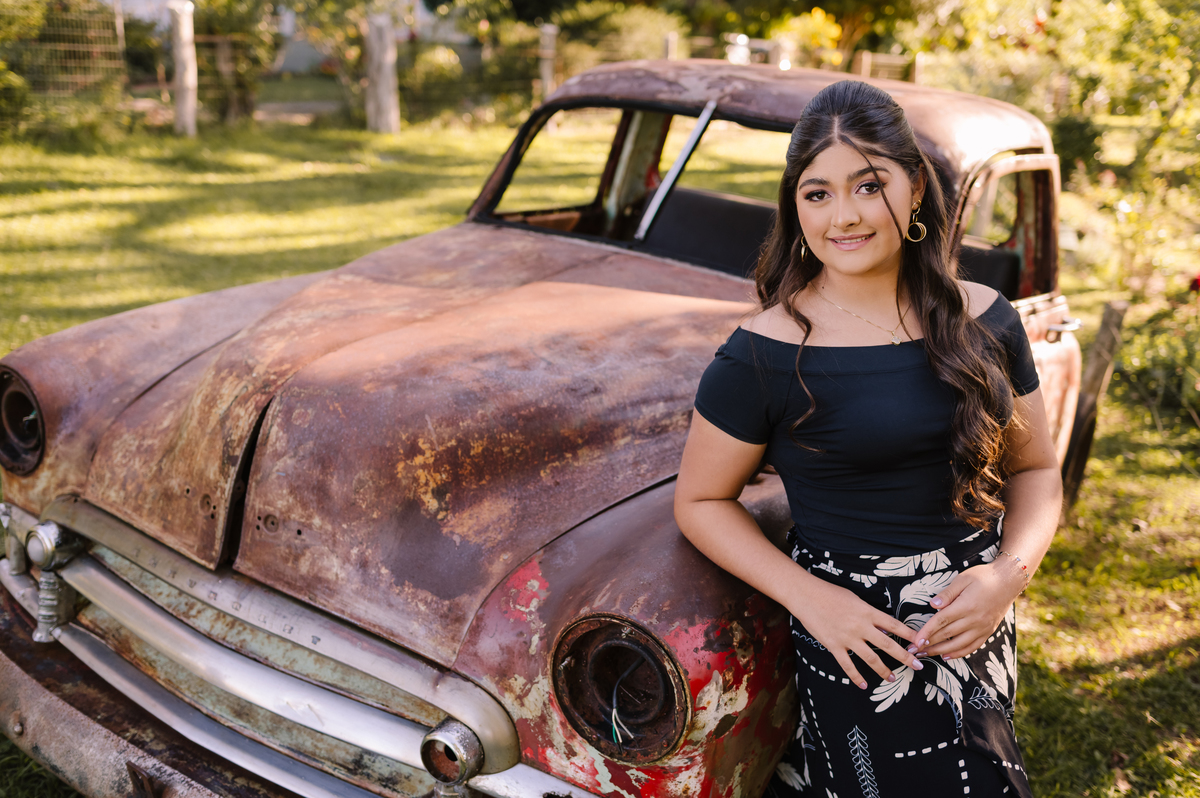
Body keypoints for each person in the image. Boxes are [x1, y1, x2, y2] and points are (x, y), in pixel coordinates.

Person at [673, 80, 1062, 798]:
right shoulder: (761, 353)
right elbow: (700, 500)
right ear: (795, 208)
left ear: (914, 188)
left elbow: (1036, 469)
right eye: (817, 193)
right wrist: (810, 599)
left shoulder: (988, 319)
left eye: (868, 184)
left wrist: (1007, 577)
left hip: (975, 613)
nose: (843, 215)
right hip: (853, 637)